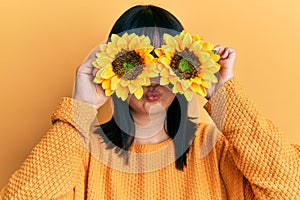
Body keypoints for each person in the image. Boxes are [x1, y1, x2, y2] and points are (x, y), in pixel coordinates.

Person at [1, 5, 299, 200]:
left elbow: (291, 189)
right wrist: (82, 107)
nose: (153, 80)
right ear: (111, 68)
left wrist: (223, 94)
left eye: (167, 62)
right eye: (136, 63)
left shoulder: (218, 153)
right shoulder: (83, 155)